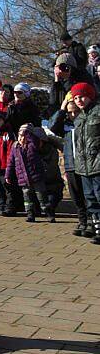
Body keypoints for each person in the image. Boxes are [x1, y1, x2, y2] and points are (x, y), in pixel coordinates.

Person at [49, 98, 91, 237]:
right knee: (76, 195)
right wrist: (62, 109)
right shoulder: (65, 125)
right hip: (70, 165)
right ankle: (82, 221)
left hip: (84, 165)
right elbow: (52, 126)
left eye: (76, 112)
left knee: (87, 195)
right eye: (70, 112)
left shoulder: (85, 123)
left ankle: (91, 221)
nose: (73, 115)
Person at [5, 123, 55, 223]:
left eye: (24, 136)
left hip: (36, 177)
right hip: (23, 178)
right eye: (20, 135)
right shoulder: (15, 147)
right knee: (27, 198)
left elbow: (34, 140)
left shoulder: (33, 145)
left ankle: (49, 214)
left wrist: (28, 132)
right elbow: (10, 162)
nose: (22, 138)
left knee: (42, 197)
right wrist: (8, 175)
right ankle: (30, 214)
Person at [72, 82, 100, 244]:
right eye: (75, 98)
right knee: (90, 199)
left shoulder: (97, 112)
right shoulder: (79, 117)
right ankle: (97, 229)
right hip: (84, 166)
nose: (79, 100)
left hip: (97, 164)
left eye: (81, 96)